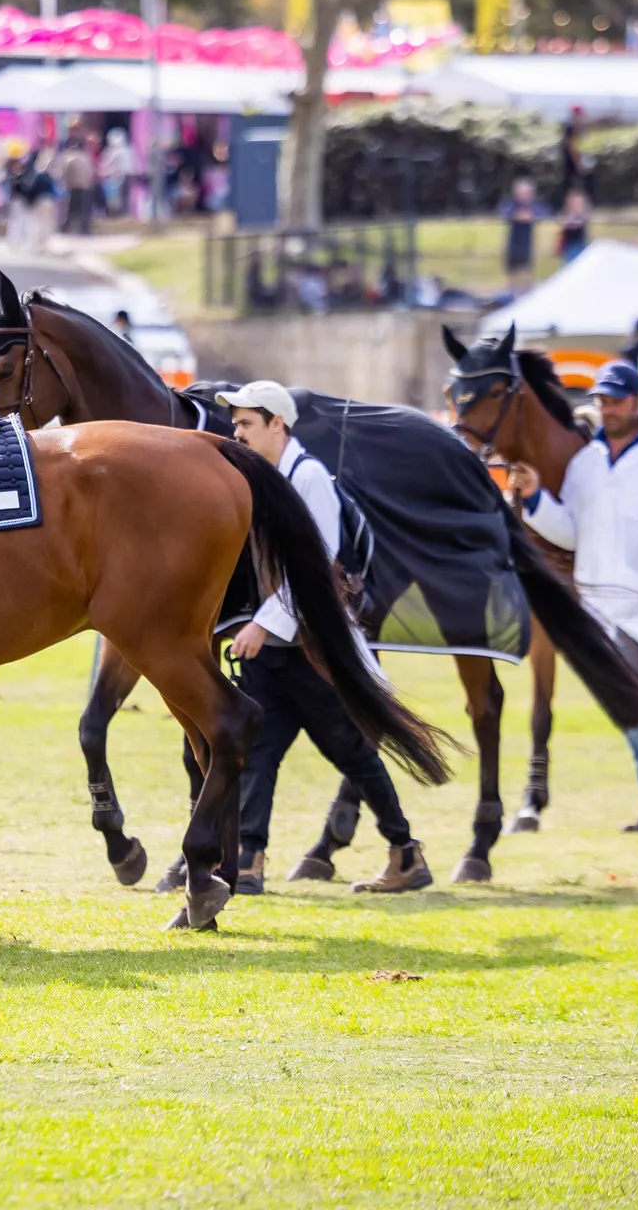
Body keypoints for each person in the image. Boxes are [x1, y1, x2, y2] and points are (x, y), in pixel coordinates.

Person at [211, 380, 432, 895]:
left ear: (278, 424)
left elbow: (319, 564)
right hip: (277, 652)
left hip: (311, 649)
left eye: (246, 423)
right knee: (258, 752)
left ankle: (406, 853)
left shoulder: (309, 477)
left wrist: (264, 623)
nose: (236, 432)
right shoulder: (263, 477)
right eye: (235, 422)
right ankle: (248, 860)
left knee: (350, 752)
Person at [507, 361, 638, 832]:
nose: (607, 409)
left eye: (617, 400)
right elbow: (571, 533)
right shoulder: (586, 464)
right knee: (630, 702)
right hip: (596, 602)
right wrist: (538, 497)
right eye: (601, 400)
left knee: (636, 697)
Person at [497, 177, 549, 294]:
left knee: (526, 275)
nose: (524, 196)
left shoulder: (535, 205)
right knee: (513, 275)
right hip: (513, 246)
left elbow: (544, 213)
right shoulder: (510, 204)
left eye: (527, 193)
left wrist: (531, 216)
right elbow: (505, 213)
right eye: (521, 193)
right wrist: (517, 216)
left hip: (528, 247)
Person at [57, 136, 97, 236]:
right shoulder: (85, 156)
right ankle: (85, 229)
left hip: (74, 187)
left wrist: (64, 183)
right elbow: (90, 171)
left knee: (72, 209)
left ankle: (67, 228)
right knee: (85, 209)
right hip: (85, 186)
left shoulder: (66, 156)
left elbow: (62, 172)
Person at [555, 188, 591, 263]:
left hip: (579, 244)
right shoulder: (566, 215)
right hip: (569, 245)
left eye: (578, 203)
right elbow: (563, 225)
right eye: (573, 202)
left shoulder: (583, 216)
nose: (575, 205)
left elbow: (580, 223)